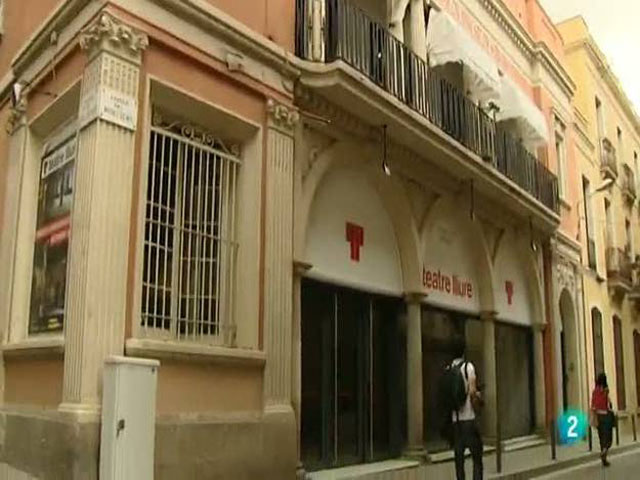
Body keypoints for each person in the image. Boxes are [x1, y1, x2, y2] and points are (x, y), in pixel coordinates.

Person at [451, 336, 483, 480]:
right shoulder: (468, 367)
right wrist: (479, 400)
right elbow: (472, 392)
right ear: (464, 351)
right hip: (468, 418)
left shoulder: (449, 368)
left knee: (459, 458)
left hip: (455, 420)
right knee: (477, 454)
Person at [591, 373, 614, 467]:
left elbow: (593, 404)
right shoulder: (605, 390)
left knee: (601, 437)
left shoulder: (595, 391)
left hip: (598, 416)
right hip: (606, 416)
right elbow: (609, 404)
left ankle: (604, 459)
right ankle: (604, 451)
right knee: (608, 437)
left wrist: (594, 416)